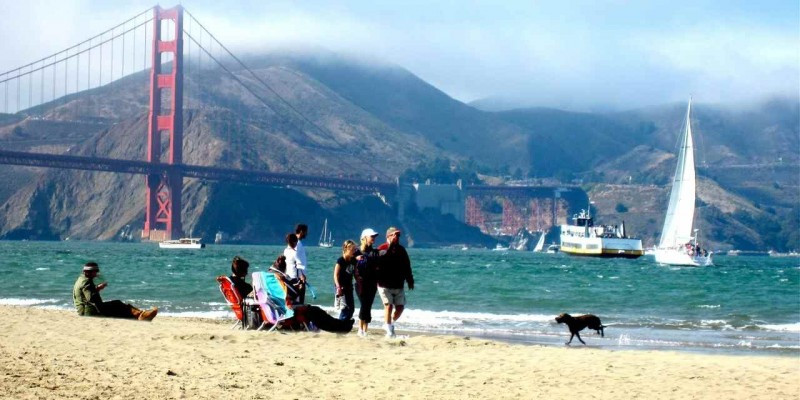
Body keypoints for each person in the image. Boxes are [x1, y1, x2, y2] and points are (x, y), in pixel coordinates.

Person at [270, 255, 353, 334]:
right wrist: (300, 287)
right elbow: (293, 293)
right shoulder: (279, 278)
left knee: (315, 311)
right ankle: (342, 327)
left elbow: (286, 290)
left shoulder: (269, 278)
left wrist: (296, 284)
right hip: (288, 311)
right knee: (316, 311)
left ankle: (342, 325)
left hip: (277, 309)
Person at [72, 262, 158, 321]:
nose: (96, 274)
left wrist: (98, 288)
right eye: (95, 272)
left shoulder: (81, 279)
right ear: (90, 272)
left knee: (117, 306)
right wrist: (97, 290)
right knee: (117, 304)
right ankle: (141, 315)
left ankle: (140, 315)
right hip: (88, 311)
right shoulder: (86, 282)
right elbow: (91, 298)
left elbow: (86, 294)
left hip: (83, 310)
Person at [376, 227, 414, 338]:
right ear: (388, 236)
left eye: (398, 235)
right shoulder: (381, 248)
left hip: (398, 284)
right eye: (394, 235)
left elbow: (407, 266)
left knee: (400, 308)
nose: (396, 237)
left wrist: (410, 280)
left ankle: (389, 323)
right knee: (388, 306)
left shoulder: (401, 250)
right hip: (384, 284)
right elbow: (380, 262)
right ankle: (389, 331)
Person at [354, 228, 380, 337]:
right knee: (364, 304)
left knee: (368, 306)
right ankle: (360, 329)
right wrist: (355, 259)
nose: (374, 238)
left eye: (374, 236)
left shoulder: (375, 252)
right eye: (371, 236)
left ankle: (365, 330)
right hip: (360, 284)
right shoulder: (356, 252)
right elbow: (347, 262)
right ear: (364, 238)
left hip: (372, 284)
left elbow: (379, 267)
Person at [333, 240, 358, 320]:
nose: (354, 251)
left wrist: (359, 282)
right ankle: (340, 325)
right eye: (352, 249)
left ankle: (343, 324)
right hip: (341, 287)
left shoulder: (353, 260)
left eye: (354, 249)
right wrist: (338, 287)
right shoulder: (340, 260)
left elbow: (355, 274)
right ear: (346, 249)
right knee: (345, 309)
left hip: (349, 286)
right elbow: (335, 275)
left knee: (351, 309)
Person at [283, 233, 307, 303]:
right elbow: (299, 265)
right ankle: (300, 305)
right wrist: (302, 276)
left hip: (288, 276)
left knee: (291, 295)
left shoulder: (285, 251)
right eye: (296, 242)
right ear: (294, 242)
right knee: (301, 293)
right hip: (295, 278)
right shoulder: (295, 253)